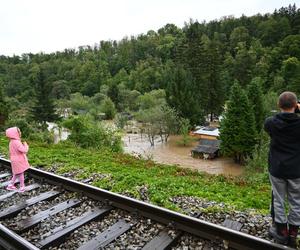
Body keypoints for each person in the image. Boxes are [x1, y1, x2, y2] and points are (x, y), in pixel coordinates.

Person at [264, 91, 300, 246]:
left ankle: (281, 232)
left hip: (277, 169)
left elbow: (270, 125)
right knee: (296, 201)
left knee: (278, 199)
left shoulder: (270, 123)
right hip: (296, 170)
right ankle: (293, 234)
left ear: (278, 105)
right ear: (295, 105)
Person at [5, 127, 30, 192]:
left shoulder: (11, 142)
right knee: (21, 173)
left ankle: (10, 185)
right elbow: (24, 150)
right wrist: (26, 145)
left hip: (14, 159)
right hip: (18, 160)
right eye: (19, 132)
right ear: (15, 134)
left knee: (16, 173)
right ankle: (22, 187)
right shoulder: (17, 142)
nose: (20, 133)